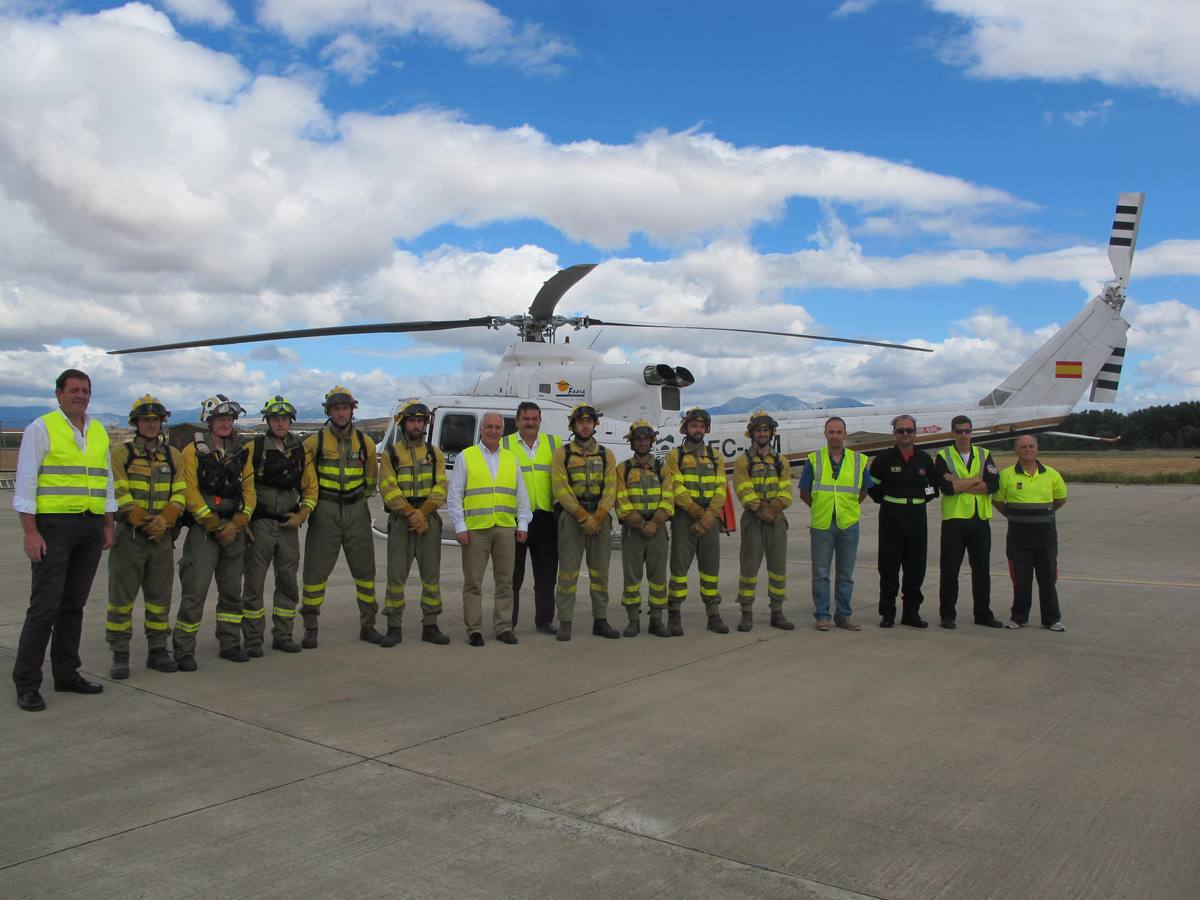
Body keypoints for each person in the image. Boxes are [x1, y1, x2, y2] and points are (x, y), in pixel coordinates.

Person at [12, 369, 115, 712]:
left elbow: (107, 480)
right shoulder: (41, 428)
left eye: (85, 390)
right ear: (58, 394)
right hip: (54, 527)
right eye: (73, 390)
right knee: (44, 608)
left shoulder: (98, 430)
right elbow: (26, 484)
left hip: (90, 525)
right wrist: (30, 531)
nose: (80, 395)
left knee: (73, 606)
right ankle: (27, 683)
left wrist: (107, 523)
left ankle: (67, 673)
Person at [106, 394, 186, 678]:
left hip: (161, 538)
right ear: (136, 423)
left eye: (155, 420)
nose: (151, 425)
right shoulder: (121, 455)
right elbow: (119, 494)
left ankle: (157, 650)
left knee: (159, 598)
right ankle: (120, 654)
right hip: (130, 537)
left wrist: (165, 521)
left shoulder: (173, 457)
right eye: (145, 420)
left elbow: (179, 494)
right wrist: (143, 521)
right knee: (121, 598)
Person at [173, 394, 256, 669]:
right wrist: (211, 522)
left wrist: (238, 522)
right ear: (209, 421)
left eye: (230, 418)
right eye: (220, 418)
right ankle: (184, 649)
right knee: (194, 591)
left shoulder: (240, 451)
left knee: (232, 591)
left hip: (233, 531)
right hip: (204, 531)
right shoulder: (193, 451)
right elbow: (189, 491)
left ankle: (230, 643)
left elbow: (249, 491)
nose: (226, 423)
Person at [301, 387, 380, 647]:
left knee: (365, 571)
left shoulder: (365, 443)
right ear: (329, 411)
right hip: (326, 510)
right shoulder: (315, 442)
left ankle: (368, 625)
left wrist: (356, 500)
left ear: (352, 410)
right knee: (315, 572)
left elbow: (370, 480)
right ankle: (310, 627)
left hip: (356, 510)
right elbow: (305, 477)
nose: (341, 413)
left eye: (345, 408)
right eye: (336, 408)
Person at [240, 396, 318, 655]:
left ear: (290, 421)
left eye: (284, 418)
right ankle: (252, 639)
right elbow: (245, 486)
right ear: (268, 421)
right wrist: (246, 519)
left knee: (287, 582)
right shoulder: (255, 448)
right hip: (261, 524)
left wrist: (302, 514)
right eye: (275, 418)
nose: (280, 423)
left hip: (288, 526)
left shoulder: (300, 450)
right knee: (254, 583)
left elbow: (311, 488)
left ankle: (283, 634)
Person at [445, 412, 529, 645]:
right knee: (473, 582)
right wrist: (460, 526)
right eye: (489, 427)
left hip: (504, 528)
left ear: (503, 432)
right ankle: (474, 629)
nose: (493, 431)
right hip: (476, 530)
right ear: (481, 430)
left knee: (505, 581)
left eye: (497, 427)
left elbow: (521, 495)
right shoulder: (466, 457)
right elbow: (455, 496)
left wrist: (522, 523)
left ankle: (503, 626)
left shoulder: (511, 459)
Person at [379, 400, 450, 647]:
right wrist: (412, 514)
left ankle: (430, 625)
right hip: (401, 521)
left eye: (420, 420)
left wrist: (424, 513)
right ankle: (393, 627)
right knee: (396, 576)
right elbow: (388, 489)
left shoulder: (435, 453)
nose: (416, 425)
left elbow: (441, 487)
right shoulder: (391, 454)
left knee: (431, 575)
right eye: (412, 421)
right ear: (403, 423)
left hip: (428, 520)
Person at [551, 404, 620, 641]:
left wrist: (598, 517)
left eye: (589, 421)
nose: (585, 425)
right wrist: (582, 517)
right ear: (573, 425)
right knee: (568, 574)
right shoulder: (563, 454)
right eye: (580, 422)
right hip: (572, 519)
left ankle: (600, 621)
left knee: (600, 573)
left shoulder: (606, 454)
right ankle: (565, 622)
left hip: (599, 519)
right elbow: (561, 489)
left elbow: (611, 489)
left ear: (595, 425)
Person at [799, 416, 871, 632]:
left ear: (845, 434)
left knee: (845, 574)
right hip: (822, 524)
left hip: (848, 523)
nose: (835, 436)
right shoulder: (813, 459)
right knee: (821, 572)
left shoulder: (858, 460)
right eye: (831, 432)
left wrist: (846, 508)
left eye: (839, 432)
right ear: (825, 434)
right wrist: (822, 507)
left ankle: (844, 615)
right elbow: (804, 492)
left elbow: (865, 490)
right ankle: (822, 615)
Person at [934, 415, 1004, 629]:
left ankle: (983, 613)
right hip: (955, 519)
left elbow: (992, 485)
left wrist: (961, 483)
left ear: (972, 432)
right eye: (959, 431)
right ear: (952, 433)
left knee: (982, 569)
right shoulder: (943, 455)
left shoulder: (984, 454)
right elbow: (946, 488)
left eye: (967, 431)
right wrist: (976, 479)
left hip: (979, 519)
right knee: (950, 570)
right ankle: (947, 615)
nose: (964, 435)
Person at [868, 415, 938, 628]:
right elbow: (873, 487)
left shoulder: (925, 460)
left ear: (915, 433)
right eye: (901, 431)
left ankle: (911, 613)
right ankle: (887, 613)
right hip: (892, 516)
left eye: (909, 430)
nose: (905, 434)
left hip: (917, 515)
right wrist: (892, 500)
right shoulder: (884, 460)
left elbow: (933, 487)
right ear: (894, 434)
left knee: (916, 566)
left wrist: (917, 500)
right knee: (888, 567)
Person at [663, 408, 729, 635]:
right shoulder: (676, 455)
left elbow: (721, 487)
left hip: (710, 519)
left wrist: (710, 514)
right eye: (693, 426)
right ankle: (674, 614)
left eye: (701, 426)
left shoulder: (716, 455)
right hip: (684, 518)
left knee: (711, 569)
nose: (698, 430)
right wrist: (697, 512)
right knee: (679, 568)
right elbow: (676, 487)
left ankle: (713, 614)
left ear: (706, 429)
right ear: (686, 428)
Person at [994, 435, 1069, 631]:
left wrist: (1043, 514)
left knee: (1048, 580)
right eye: (1023, 447)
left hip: (1046, 538)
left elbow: (1060, 499)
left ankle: (1052, 619)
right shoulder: (1006, 475)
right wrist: (1015, 516)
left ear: (1037, 449)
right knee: (1021, 580)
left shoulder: (1051, 474)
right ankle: (1019, 617)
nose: (1027, 450)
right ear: (1016, 451)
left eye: (1031, 446)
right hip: (1019, 539)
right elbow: (998, 501)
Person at [501, 402, 562, 634]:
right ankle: (509, 622)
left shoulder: (553, 443)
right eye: (526, 419)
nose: (530, 423)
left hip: (546, 518)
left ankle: (545, 620)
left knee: (546, 575)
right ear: (517, 421)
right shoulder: (505, 444)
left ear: (540, 420)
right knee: (512, 576)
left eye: (535, 418)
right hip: (515, 518)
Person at [731, 411, 795, 632]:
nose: (762, 434)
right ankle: (746, 613)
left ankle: (777, 612)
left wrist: (774, 509)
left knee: (778, 568)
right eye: (758, 430)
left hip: (776, 519)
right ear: (751, 433)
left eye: (765, 430)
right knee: (748, 568)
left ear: (771, 433)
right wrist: (761, 509)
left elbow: (786, 491)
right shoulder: (742, 462)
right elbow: (743, 490)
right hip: (753, 520)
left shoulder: (781, 462)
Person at [614, 419, 673, 637]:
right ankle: (633, 620)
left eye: (646, 438)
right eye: (638, 439)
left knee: (658, 578)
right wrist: (639, 523)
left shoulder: (662, 468)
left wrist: (656, 522)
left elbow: (669, 497)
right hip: (633, 531)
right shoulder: (623, 469)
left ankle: (657, 620)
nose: (642, 442)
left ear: (652, 441)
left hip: (657, 530)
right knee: (632, 578)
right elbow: (620, 499)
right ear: (632, 442)